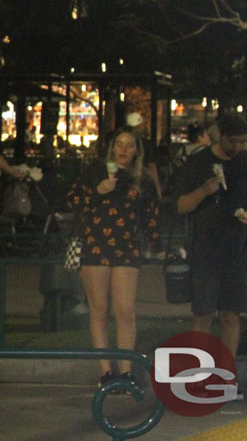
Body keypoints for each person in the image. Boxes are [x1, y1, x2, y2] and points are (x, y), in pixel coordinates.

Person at [66, 126, 160, 388]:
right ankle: (106, 372)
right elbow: (72, 200)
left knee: (125, 310)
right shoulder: (96, 171)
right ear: (111, 147)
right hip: (95, 244)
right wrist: (97, 191)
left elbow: (151, 213)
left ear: (137, 151)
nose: (123, 150)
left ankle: (126, 371)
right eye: (119, 144)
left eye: (129, 145)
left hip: (127, 247)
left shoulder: (142, 178)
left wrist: (155, 242)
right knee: (99, 309)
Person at [175, 112, 247, 361]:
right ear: (221, 136)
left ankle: (225, 375)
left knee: (231, 314)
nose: (237, 147)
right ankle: (199, 373)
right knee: (203, 315)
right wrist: (205, 190)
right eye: (233, 141)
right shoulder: (198, 162)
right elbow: (182, 205)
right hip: (205, 250)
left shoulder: (245, 162)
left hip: (237, 250)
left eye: (243, 142)